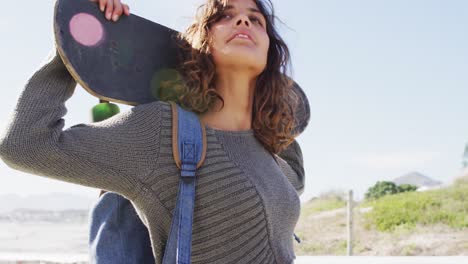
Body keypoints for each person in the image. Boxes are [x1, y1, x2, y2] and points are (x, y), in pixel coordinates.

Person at [0, 0, 306, 263]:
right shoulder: (163, 130)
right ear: (201, 42)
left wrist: (275, 108)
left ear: (270, 50)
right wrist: (76, 47)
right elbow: (25, 144)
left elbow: (296, 178)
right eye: (224, 15)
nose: (243, 20)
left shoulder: (265, 150)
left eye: (256, 19)